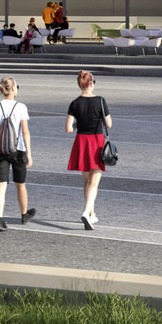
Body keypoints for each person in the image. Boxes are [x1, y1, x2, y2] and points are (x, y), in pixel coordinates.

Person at [0, 77, 35, 230]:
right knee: (20, 184)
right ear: (13, 88)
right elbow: (25, 132)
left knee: (1, 185)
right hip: (18, 150)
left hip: (0, 150)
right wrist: (29, 153)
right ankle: (24, 214)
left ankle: (0, 219)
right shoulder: (21, 107)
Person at [66, 70, 111, 230]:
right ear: (90, 83)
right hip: (96, 141)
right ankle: (86, 212)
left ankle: (91, 213)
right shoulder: (100, 101)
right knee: (94, 183)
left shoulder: (75, 103)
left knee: (86, 182)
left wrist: (80, 123)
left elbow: (68, 128)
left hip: (81, 142)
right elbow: (109, 124)